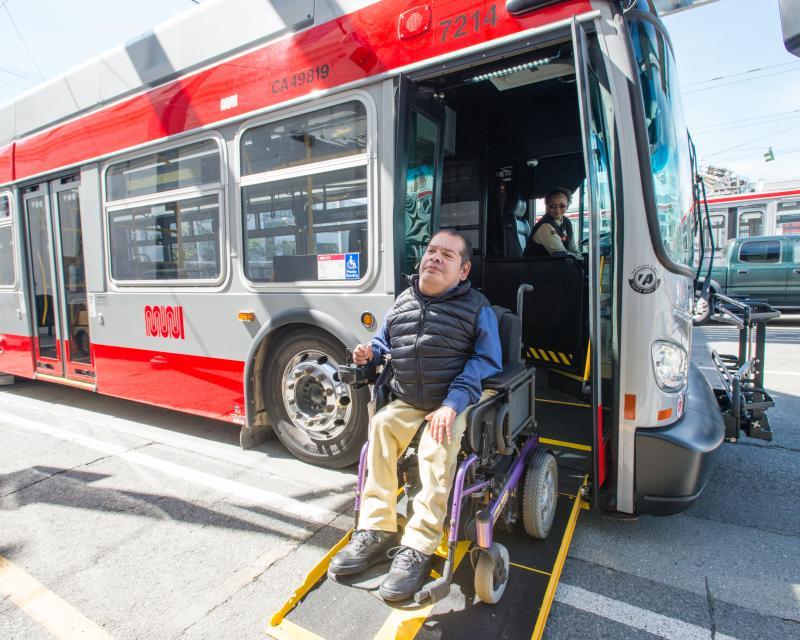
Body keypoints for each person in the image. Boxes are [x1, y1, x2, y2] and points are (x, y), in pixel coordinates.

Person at [328, 229, 502, 602]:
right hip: (411, 398)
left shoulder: (477, 308)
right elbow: (383, 343)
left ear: (464, 270)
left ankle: (420, 545)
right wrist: (369, 354)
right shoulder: (404, 301)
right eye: (431, 251)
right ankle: (377, 529)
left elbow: (487, 360)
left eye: (447, 255)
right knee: (381, 424)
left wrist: (452, 403)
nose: (435, 258)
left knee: (436, 441)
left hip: (456, 399)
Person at [523, 187, 580, 257]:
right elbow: (561, 255)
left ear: (567, 206)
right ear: (547, 206)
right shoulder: (545, 226)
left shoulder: (567, 223)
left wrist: (580, 257)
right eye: (553, 206)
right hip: (537, 266)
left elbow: (573, 249)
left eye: (562, 206)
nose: (557, 209)